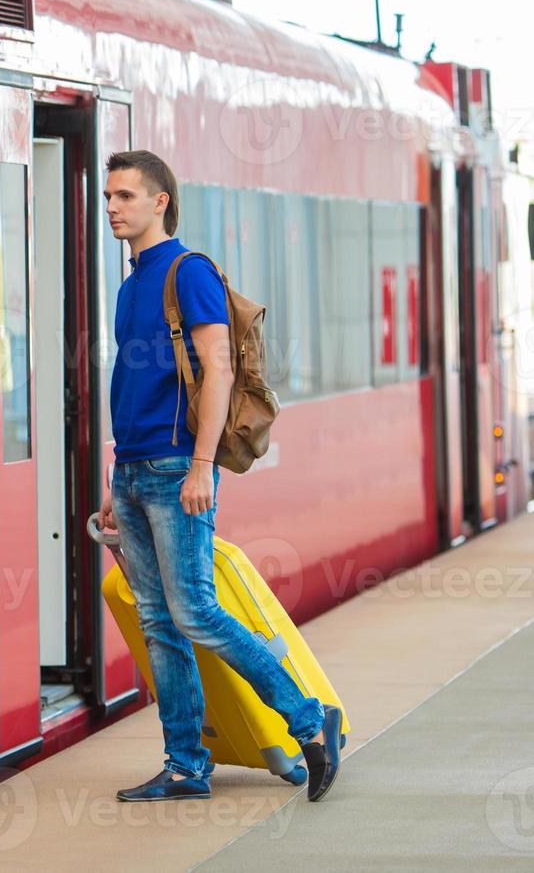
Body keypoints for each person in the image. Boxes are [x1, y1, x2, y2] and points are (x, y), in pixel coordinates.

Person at [99, 150, 342, 803]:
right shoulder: (130, 284)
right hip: (134, 469)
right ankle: (184, 766)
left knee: (196, 612)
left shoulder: (189, 272)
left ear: (160, 201)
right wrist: (114, 483)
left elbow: (219, 372)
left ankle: (310, 721)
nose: (114, 207)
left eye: (126, 196)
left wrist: (202, 465)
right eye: (109, 197)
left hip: (180, 467)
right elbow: (132, 385)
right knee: (159, 623)